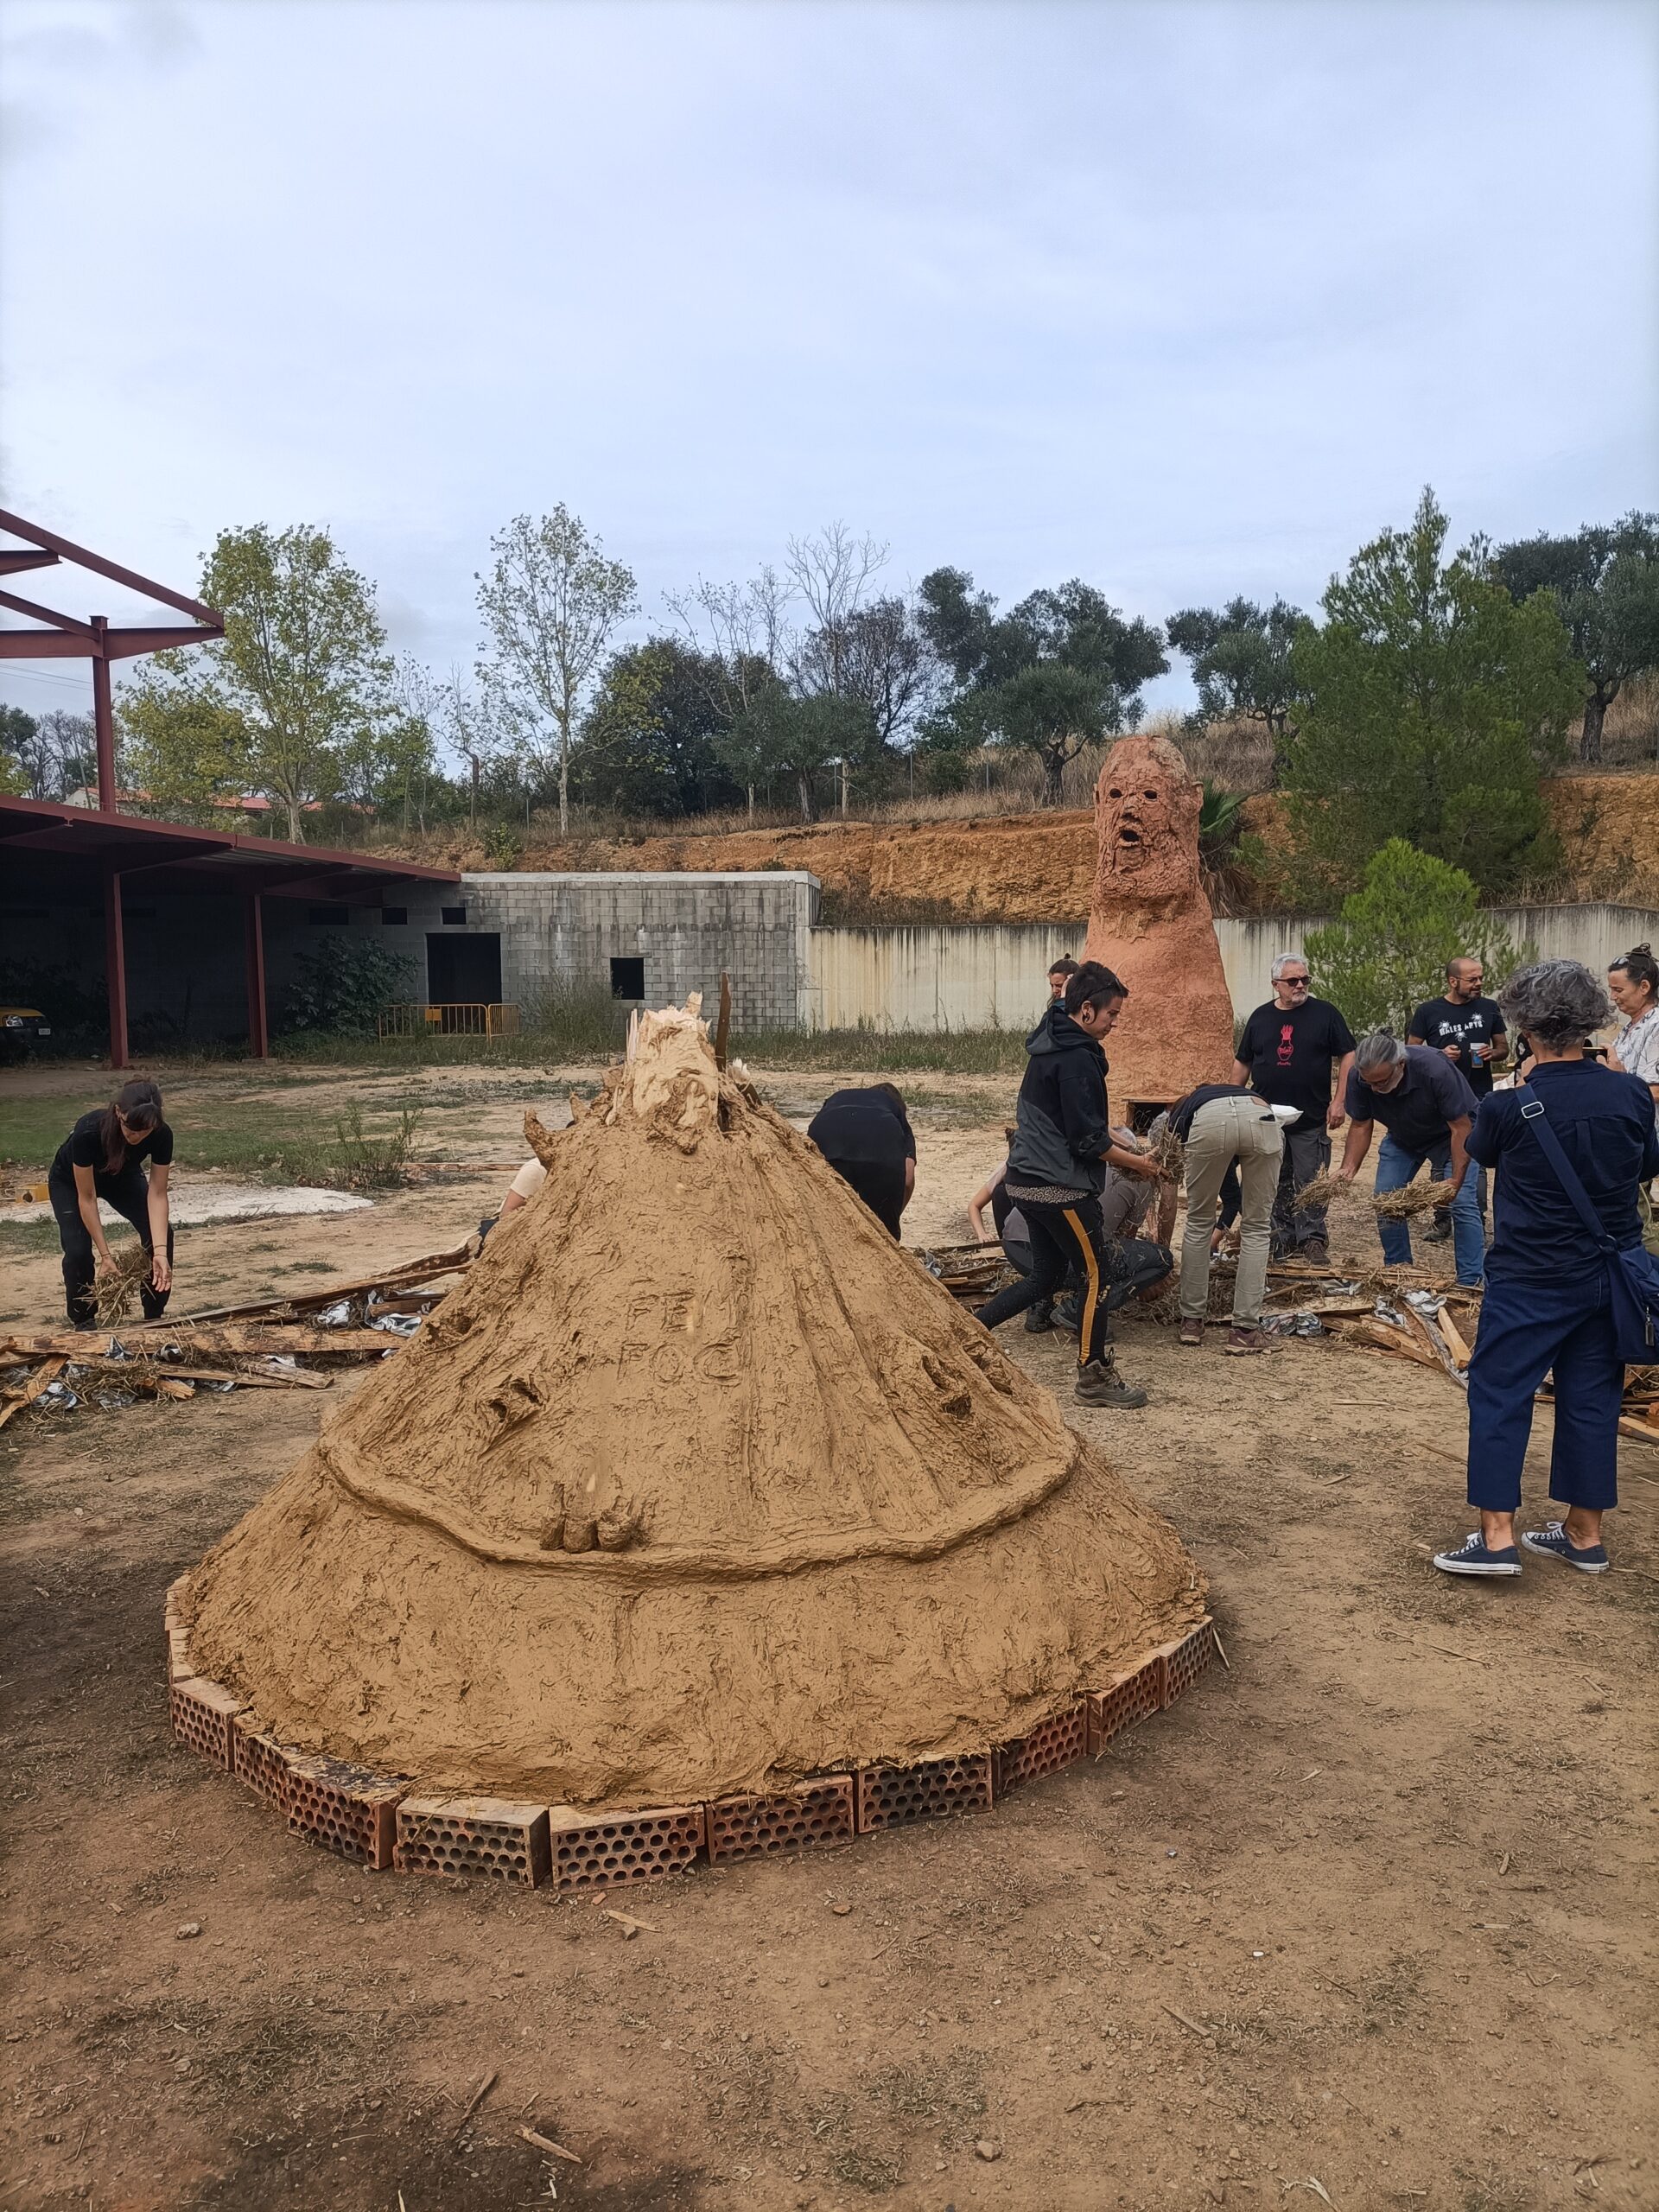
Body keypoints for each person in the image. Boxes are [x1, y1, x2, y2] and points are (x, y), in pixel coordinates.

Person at [1432, 961, 1659, 1579]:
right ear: (1591, 1020)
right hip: (1609, 1274)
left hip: (1530, 1274)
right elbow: (1643, 1168)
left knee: (1501, 1392)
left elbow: (1480, 1156)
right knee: (1592, 1398)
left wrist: (1516, 1086)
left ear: (1525, 1025)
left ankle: (1498, 1537)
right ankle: (1585, 1536)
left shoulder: (1510, 1105)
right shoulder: (1632, 1092)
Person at [972, 962, 1170, 1408]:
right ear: (1085, 1010)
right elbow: (1090, 1141)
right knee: (1097, 1275)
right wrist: (1143, 1163)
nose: (1115, 1022)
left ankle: (966, 1336)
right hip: (1057, 1188)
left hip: (1022, 1182)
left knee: (1045, 1276)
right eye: (1112, 1014)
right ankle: (1094, 1375)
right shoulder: (1077, 1060)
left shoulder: (1050, 1043)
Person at [1232, 954, 1356, 1268]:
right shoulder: (1260, 1018)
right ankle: (1282, 1236)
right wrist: (1233, 1098)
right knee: (1276, 1178)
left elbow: (1348, 1055)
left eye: (1305, 979)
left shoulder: (1325, 1014)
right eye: (1292, 981)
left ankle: (1312, 1238)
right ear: (1276, 985)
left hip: (1310, 1116)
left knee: (1310, 1179)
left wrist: (1340, 1099)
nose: (1300, 985)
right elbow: (1243, 1061)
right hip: (1266, 1117)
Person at [1335, 1032, 1484, 1287]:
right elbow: (1360, 1125)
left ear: (1400, 1065)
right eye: (1368, 1082)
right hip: (1403, 1136)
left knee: (1462, 1203)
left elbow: (1461, 1127)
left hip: (1450, 1135)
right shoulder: (1360, 1077)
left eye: (1381, 1083)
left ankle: (1470, 1281)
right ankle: (1400, 1272)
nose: (1374, 1089)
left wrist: (1455, 1180)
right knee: (1385, 1201)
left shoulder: (1434, 1070)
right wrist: (1348, 1168)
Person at [1168, 1082, 1286, 1353]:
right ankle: (1245, 1331)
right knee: (1256, 1226)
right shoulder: (1241, 1093)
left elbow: (1172, 1159)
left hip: (1210, 1123)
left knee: (1198, 1221)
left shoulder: (1184, 1111)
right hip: (1261, 1117)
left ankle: (1191, 1323)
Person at [48, 1078, 175, 1328]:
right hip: (71, 1182)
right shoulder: (88, 1131)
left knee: (162, 1234)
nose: (135, 1135)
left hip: (121, 1175)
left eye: (144, 1130)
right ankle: (84, 1320)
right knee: (78, 1250)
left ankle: (154, 1314)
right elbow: (87, 1197)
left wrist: (159, 1252)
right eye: (130, 1128)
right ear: (118, 1112)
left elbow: (158, 1194)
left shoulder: (161, 1134)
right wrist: (106, 1256)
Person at [1408, 957, 1508, 1240]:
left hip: (1478, 1096)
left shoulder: (1489, 1008)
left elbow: (1503, 1048)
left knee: (1475, 1156)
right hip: (1439, 1096)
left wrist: (1493, 1053)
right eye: (1472, 979)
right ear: (1453, 981)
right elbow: (1411, 1052)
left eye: (1480, 978)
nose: (1479, 984)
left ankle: (1475, 1219)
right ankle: (1442, 1219)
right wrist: (1439, 1054)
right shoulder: (1428, 1011)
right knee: (1444, 1159)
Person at [807, 1083, 916, 1238]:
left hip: (827, 1139)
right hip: (880, 1155)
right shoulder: (895, 1115)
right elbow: (908, 1180)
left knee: (827, 1229)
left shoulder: (837, 1100)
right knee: (882, 1238)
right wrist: (891, 1217)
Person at [1608, 942, 1659, 1256]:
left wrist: (1617, 1080)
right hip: (1628, 1134)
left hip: (1645, 1137)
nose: (1613, 998)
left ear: (1644, 987)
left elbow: (1655, 1087)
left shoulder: (1656, 1026)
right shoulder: (1630, 1028)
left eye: (1618, 990)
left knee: (1638, 1223)